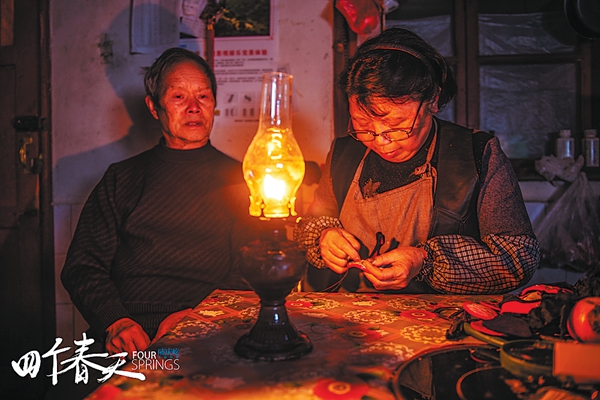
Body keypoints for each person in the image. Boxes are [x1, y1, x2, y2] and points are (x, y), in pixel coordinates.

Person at [294, 28, 539, 294]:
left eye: (397, 126)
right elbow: (311, 223)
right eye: (363, 126)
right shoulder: (344, 153)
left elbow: (519, 256)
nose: (381, 141)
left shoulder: (476, 153)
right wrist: (324, 236)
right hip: (352, 313)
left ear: (432, 100)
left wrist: (426, 261)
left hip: (444, 316)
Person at [61, 47, 257, 359]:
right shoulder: (121, 178)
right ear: (154, 107)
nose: (194, 107)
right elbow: (83, 265)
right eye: (179, 96)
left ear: (214, 104)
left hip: (209, 332)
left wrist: (199, 318)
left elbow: (252, 268)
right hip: (127, 335)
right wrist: (115, 321)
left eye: (203, 96)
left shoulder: (243, 181)